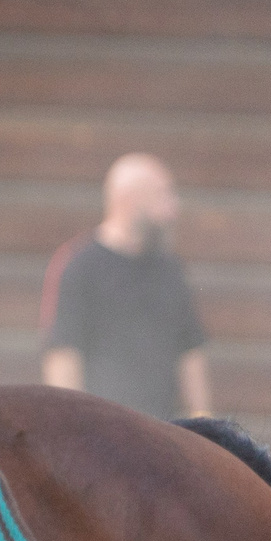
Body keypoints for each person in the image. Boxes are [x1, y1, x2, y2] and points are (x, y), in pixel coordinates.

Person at [42, 152, 211, 418]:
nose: (174, 209)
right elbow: (63, 355)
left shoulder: (171, 269)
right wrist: (71, 423)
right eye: (163, 195)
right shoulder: (80, 266)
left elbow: (190, 351)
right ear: (131, 199)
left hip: (162, 428)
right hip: (101, 428)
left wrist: (203, 418)